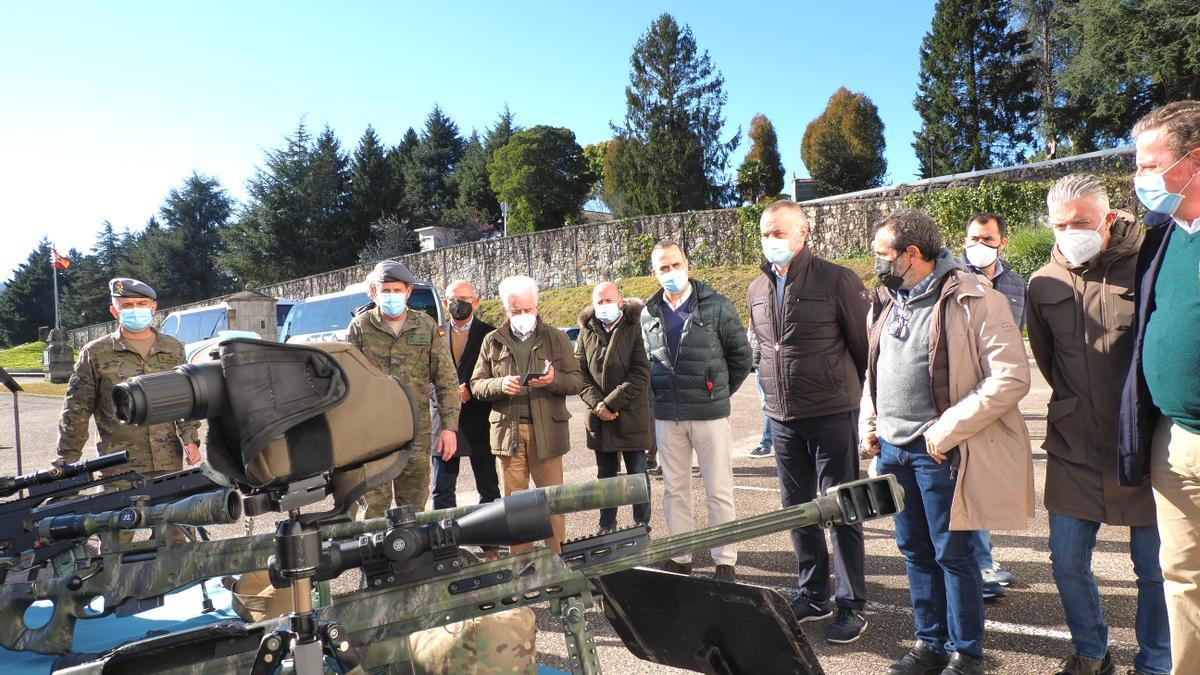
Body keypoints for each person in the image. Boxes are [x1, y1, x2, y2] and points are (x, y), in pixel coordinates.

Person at [862, 209, 1032, 675]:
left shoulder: (977, 298)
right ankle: (930, 643)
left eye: (882, 253)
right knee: (914, 550)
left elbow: (1011, 378)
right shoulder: (885, 299)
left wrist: (947, 428)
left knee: (952, 556)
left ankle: (967, 654)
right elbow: (874, 371)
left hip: (940, 451)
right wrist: (869, 422)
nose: (875, 262)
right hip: (893, 452)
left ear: (911, 255)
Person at [1030, 174, 1169, 675]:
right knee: (1066, 563)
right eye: (1062, 224)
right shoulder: (1042, 282)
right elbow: (1047, 360)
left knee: (1154, 569)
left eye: (1082, 223)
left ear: (1108, 218)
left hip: (1146, 442)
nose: (1071, 232)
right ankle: (1092, 653)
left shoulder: (1153, 263)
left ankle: (1154, 661)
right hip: (1075, 444)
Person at [748, 200, 870, 643]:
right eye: (765, 233)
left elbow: (863, 351)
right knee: (798, 510)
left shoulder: (837, 279)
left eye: (779, 233)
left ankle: (852, 603)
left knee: (842, 509)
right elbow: (765, 349)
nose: (771, 240)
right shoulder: (756, 289)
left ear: (802, 234)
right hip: (781, 418)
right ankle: (814, 592)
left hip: (831, 414)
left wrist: (850, 400)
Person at [1120, 100, 1200, 669]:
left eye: (1151, 165)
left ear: (1195, 161)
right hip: (1174, 439)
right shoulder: (1163, 236)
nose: (1139, 179)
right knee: (1182, 576)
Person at [640, 241, 751, 581]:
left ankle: (725, 559)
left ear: (686, 264)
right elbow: (649, 363)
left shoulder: (716, 306)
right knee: (675, 490)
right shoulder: (649, 313)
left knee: (718, 488)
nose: (671, 273)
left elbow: (742, 357)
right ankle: (680, 555)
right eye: (663, 268)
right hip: (668, 417)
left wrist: (715, 391)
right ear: (654, 273)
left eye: (675, 265)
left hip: (709, 415)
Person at [470, 275, 582, 554]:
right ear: (506, 309)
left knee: (553, 504)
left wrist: (553, 381)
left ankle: (557, 566)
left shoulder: (556, 338)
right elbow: (476, 385)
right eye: (515, 310)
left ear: (537, 305)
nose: (522, 315)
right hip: (508, 433)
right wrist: (498, 385)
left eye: (527, 309)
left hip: (548, 432)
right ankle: (521, 569)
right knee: (516, 507)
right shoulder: (492, 341)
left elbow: (576, 381)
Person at [56, 278, 201, 481]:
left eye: (141, 304)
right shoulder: (96, 352)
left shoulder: (173, 348)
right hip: (118, 467)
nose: (135, 310)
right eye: (127, 305)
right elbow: (76, 410)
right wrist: (67, 463)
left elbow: (185, 401)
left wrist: (190, 440)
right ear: (115, 312)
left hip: (167, 461)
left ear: (153, 307)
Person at [346, 261, 459, 517]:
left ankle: (409, 557)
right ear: (373, 292)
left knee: (413, 510)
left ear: (408, 292)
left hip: (416, 434)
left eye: (397, 290)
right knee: (373, 509)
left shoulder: (426, 326)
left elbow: (446, 380)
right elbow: (347, 384)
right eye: (385, 290)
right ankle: (374, 557)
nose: (391, 296)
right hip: (373, 438)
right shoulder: (360, 328)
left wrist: (449, 428)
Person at [961, 211, 1027, 599]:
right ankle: (977, 569)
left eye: (987, 239)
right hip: (963, 398)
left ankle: (983, 562)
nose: (979, 246)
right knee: (966, 485)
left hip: (997, 395)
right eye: (973, 239)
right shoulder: (953, 280)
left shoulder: (1016, 284)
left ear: (1002, 241)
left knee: (987, 485)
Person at [575, 281, 652, 531]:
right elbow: (579, 373)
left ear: (621, 302)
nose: (604, 306)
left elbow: (641, 373)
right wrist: (598, 405)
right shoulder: (587, 331)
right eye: (599, 301)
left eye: (609, 300)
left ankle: (642, 525)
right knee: (605, 478)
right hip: (600, 419)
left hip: (631, 416)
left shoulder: (636, 328)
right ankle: (606, 526)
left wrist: (609, 403)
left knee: (637, 476)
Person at [431, 280, 501, 513]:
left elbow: (498, 375)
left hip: (479, 419)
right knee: (442, 489)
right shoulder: (434, 334)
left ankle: (491, 544)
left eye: (465, 299)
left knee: (489, 487)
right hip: (443, 422)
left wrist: (472, 391)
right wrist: (449, 395)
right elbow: (423, 376)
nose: (458, 304)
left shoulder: (490, 333)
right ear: (444, 302)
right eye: (453, 299)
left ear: (476, 302)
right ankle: (446, 543)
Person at [747, 328, 774, 459]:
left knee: (768, 406)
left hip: (766, 365)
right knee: (766, 406)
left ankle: (767, 444)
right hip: (758, 366)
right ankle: (769, 443)